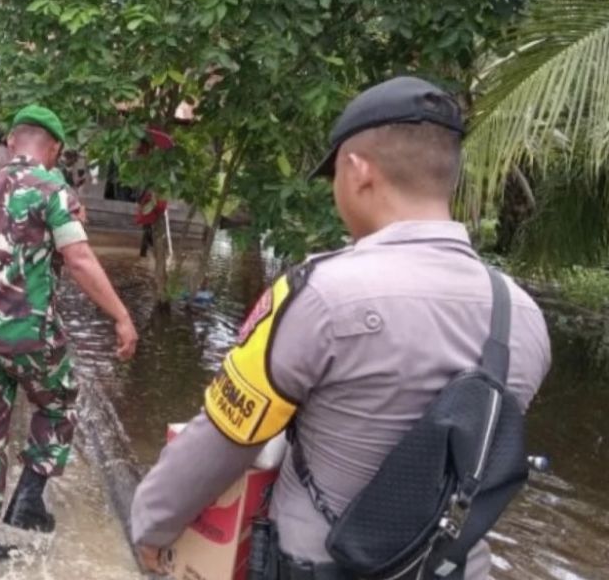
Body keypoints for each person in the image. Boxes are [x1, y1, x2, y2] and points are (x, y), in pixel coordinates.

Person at [130, 76, 551, 579]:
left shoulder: (321, 295)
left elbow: (225, 437)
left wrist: (150, 525)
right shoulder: (523, 316)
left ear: (356, 172)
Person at [0, 104, 140, 569]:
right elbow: (80, 259)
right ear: (55, 149)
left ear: (12, 142)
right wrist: (121, 316)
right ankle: (28, 499)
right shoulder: (56, 191)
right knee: (60, 399)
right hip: (30, 333)